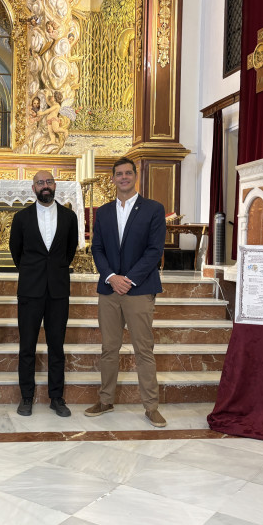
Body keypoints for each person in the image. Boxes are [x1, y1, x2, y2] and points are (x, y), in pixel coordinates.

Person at [86, 157, 167, 428]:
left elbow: (154, 250)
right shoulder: (104, 212)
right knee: (109, 348)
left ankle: (151, 407)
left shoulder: (153, 209)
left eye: (128, 173)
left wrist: (129, 280)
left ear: (135, 176)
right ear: (113, 179)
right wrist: (111, 277)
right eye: (119, 174)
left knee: (143, 349)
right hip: (109, 289)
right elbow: (97, 248)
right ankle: (105, 400)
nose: (123, 177)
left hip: (139, 289)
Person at [9, 170, 79, 417]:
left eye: (49, 182)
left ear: (55, 185)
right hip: (30, 289)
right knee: (27, 346)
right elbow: (16, 251)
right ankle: (26, 397)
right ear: (33, 188)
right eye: (40, 183)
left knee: (56, 346)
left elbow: (70, 250)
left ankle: (56, 397)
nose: (45, 186)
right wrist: (33, 273)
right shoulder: (21, 217)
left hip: (58, 290)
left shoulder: (69, 217)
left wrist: (53, 272)